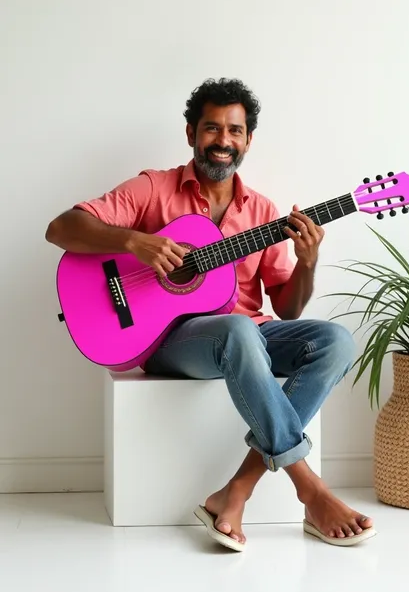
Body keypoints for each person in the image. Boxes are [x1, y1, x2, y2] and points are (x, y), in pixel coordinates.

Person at [45, 78, 375, 550]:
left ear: (248, 140)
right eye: (212, 128)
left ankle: (235, 491)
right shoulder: (151, 188)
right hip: (170, 342)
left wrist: (307, 261)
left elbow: (286, 307)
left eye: (235, 131)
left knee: (336, 340)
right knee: (238, 329)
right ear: (190, 133)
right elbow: (61, 228)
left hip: (248, 337)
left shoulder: (262, 211)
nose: (223, 141)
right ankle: (311, 488)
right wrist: (133, 241)